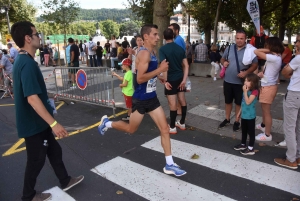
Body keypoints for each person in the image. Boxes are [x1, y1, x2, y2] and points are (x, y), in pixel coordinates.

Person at [98, 24, 187, 177]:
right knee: (131, 130)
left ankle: (169, 164)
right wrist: (160, 70)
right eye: (155, 34)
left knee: (165, 129)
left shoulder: (152, 52)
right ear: (146, 36)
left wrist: (158, 77)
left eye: (158, 34)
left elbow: (146, 73)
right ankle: (107, 123)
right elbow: (139, 79)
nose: (158, 37)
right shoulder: (144, 53)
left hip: (152, 98)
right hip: (140, 100)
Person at [11, 21, 83, 201]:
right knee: (36, 160)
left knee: (54, 151)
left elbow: (35, 93)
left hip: (39, 121)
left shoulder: (24, 60)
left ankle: (65, 180)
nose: (39, 37)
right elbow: (32, 98)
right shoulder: (26, 63)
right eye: (36, 34)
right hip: (34, 123)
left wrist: (48, 97)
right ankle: (28, 196)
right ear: (28, 38)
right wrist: (54, 123)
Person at [219, 30, 258, 132]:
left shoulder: (250, 50)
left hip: (240, 82)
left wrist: (246, 73)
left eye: (241, 38)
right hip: (228, 80)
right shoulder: (230, 47)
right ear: (235, 38)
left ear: (245, 39)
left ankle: (237, 121)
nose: (239, 40)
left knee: (238, 103)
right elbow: (222, 59)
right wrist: (224, 63)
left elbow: (255, 64)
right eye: (237, 38)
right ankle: (227, 119)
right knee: (227, 101)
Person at [274, 34, 300, 169]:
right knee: (299, 126)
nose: (295, 44)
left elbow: (285, 72)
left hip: (295, 93)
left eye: (298, 41)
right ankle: (298, 155)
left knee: (290, 127)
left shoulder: (298, 59)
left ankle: (291, 159)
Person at [254, 37, 284, 141]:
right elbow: (272, 73)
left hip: (268, 87)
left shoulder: (274, 57)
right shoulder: (276, 56)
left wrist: (269, 50)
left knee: (266, 111)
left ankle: (267, 135)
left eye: (267, 45)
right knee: (264, 108)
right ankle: (263, 125)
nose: (265, 46)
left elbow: (256, 51)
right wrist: (263, 75)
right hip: (267, 84)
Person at [159, 28, 189, 134]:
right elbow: (186, 65)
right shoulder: (180, 49)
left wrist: (165, 80)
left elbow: (164, 67)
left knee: (172, 103)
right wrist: (184, 80)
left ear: (163, 37)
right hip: (180, 77)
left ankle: (172, 127)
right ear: (173, 36)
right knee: (182, 100)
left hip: (171, 79)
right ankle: (182, 122)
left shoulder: (162, 49)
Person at [234, 73, 260, 155]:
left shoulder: (254, 92)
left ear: (253, 82)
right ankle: (243, 144)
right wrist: (239, 113)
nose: (245, 82)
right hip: (244, 115)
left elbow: (248, 102)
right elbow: (243, 103)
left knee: (251, 132)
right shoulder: (246, 90)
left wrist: (245, 92)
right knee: (244, 130)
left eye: (248, 81)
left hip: (250, 116)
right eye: (245, 80)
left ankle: (251, 148)